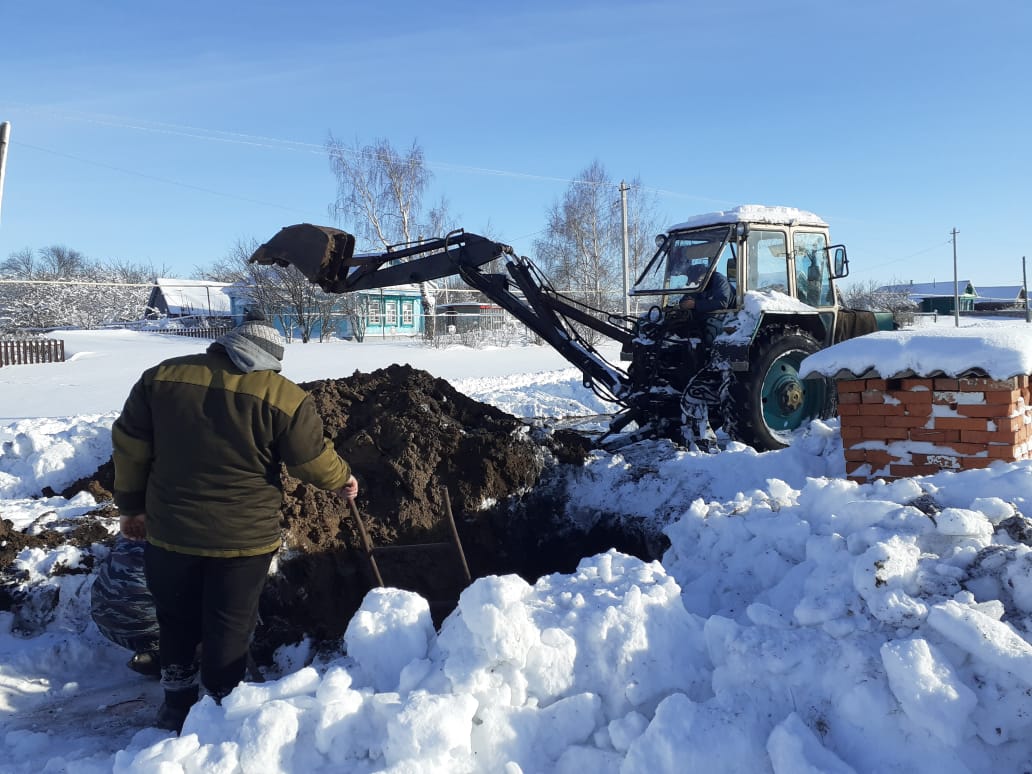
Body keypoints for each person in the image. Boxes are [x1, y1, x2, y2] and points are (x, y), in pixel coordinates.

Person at [112, 310, 358, 735]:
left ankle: (176, 706)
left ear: (226, 345)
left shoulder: (161, 378)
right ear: (268, 359)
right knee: (230, 621)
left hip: (171, 532)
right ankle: (224, 706)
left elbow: (131, 447)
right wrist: (343, 480)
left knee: (175, 617)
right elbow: (310, 461)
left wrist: (131, 506)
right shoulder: (284, 396)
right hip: (243, 538)